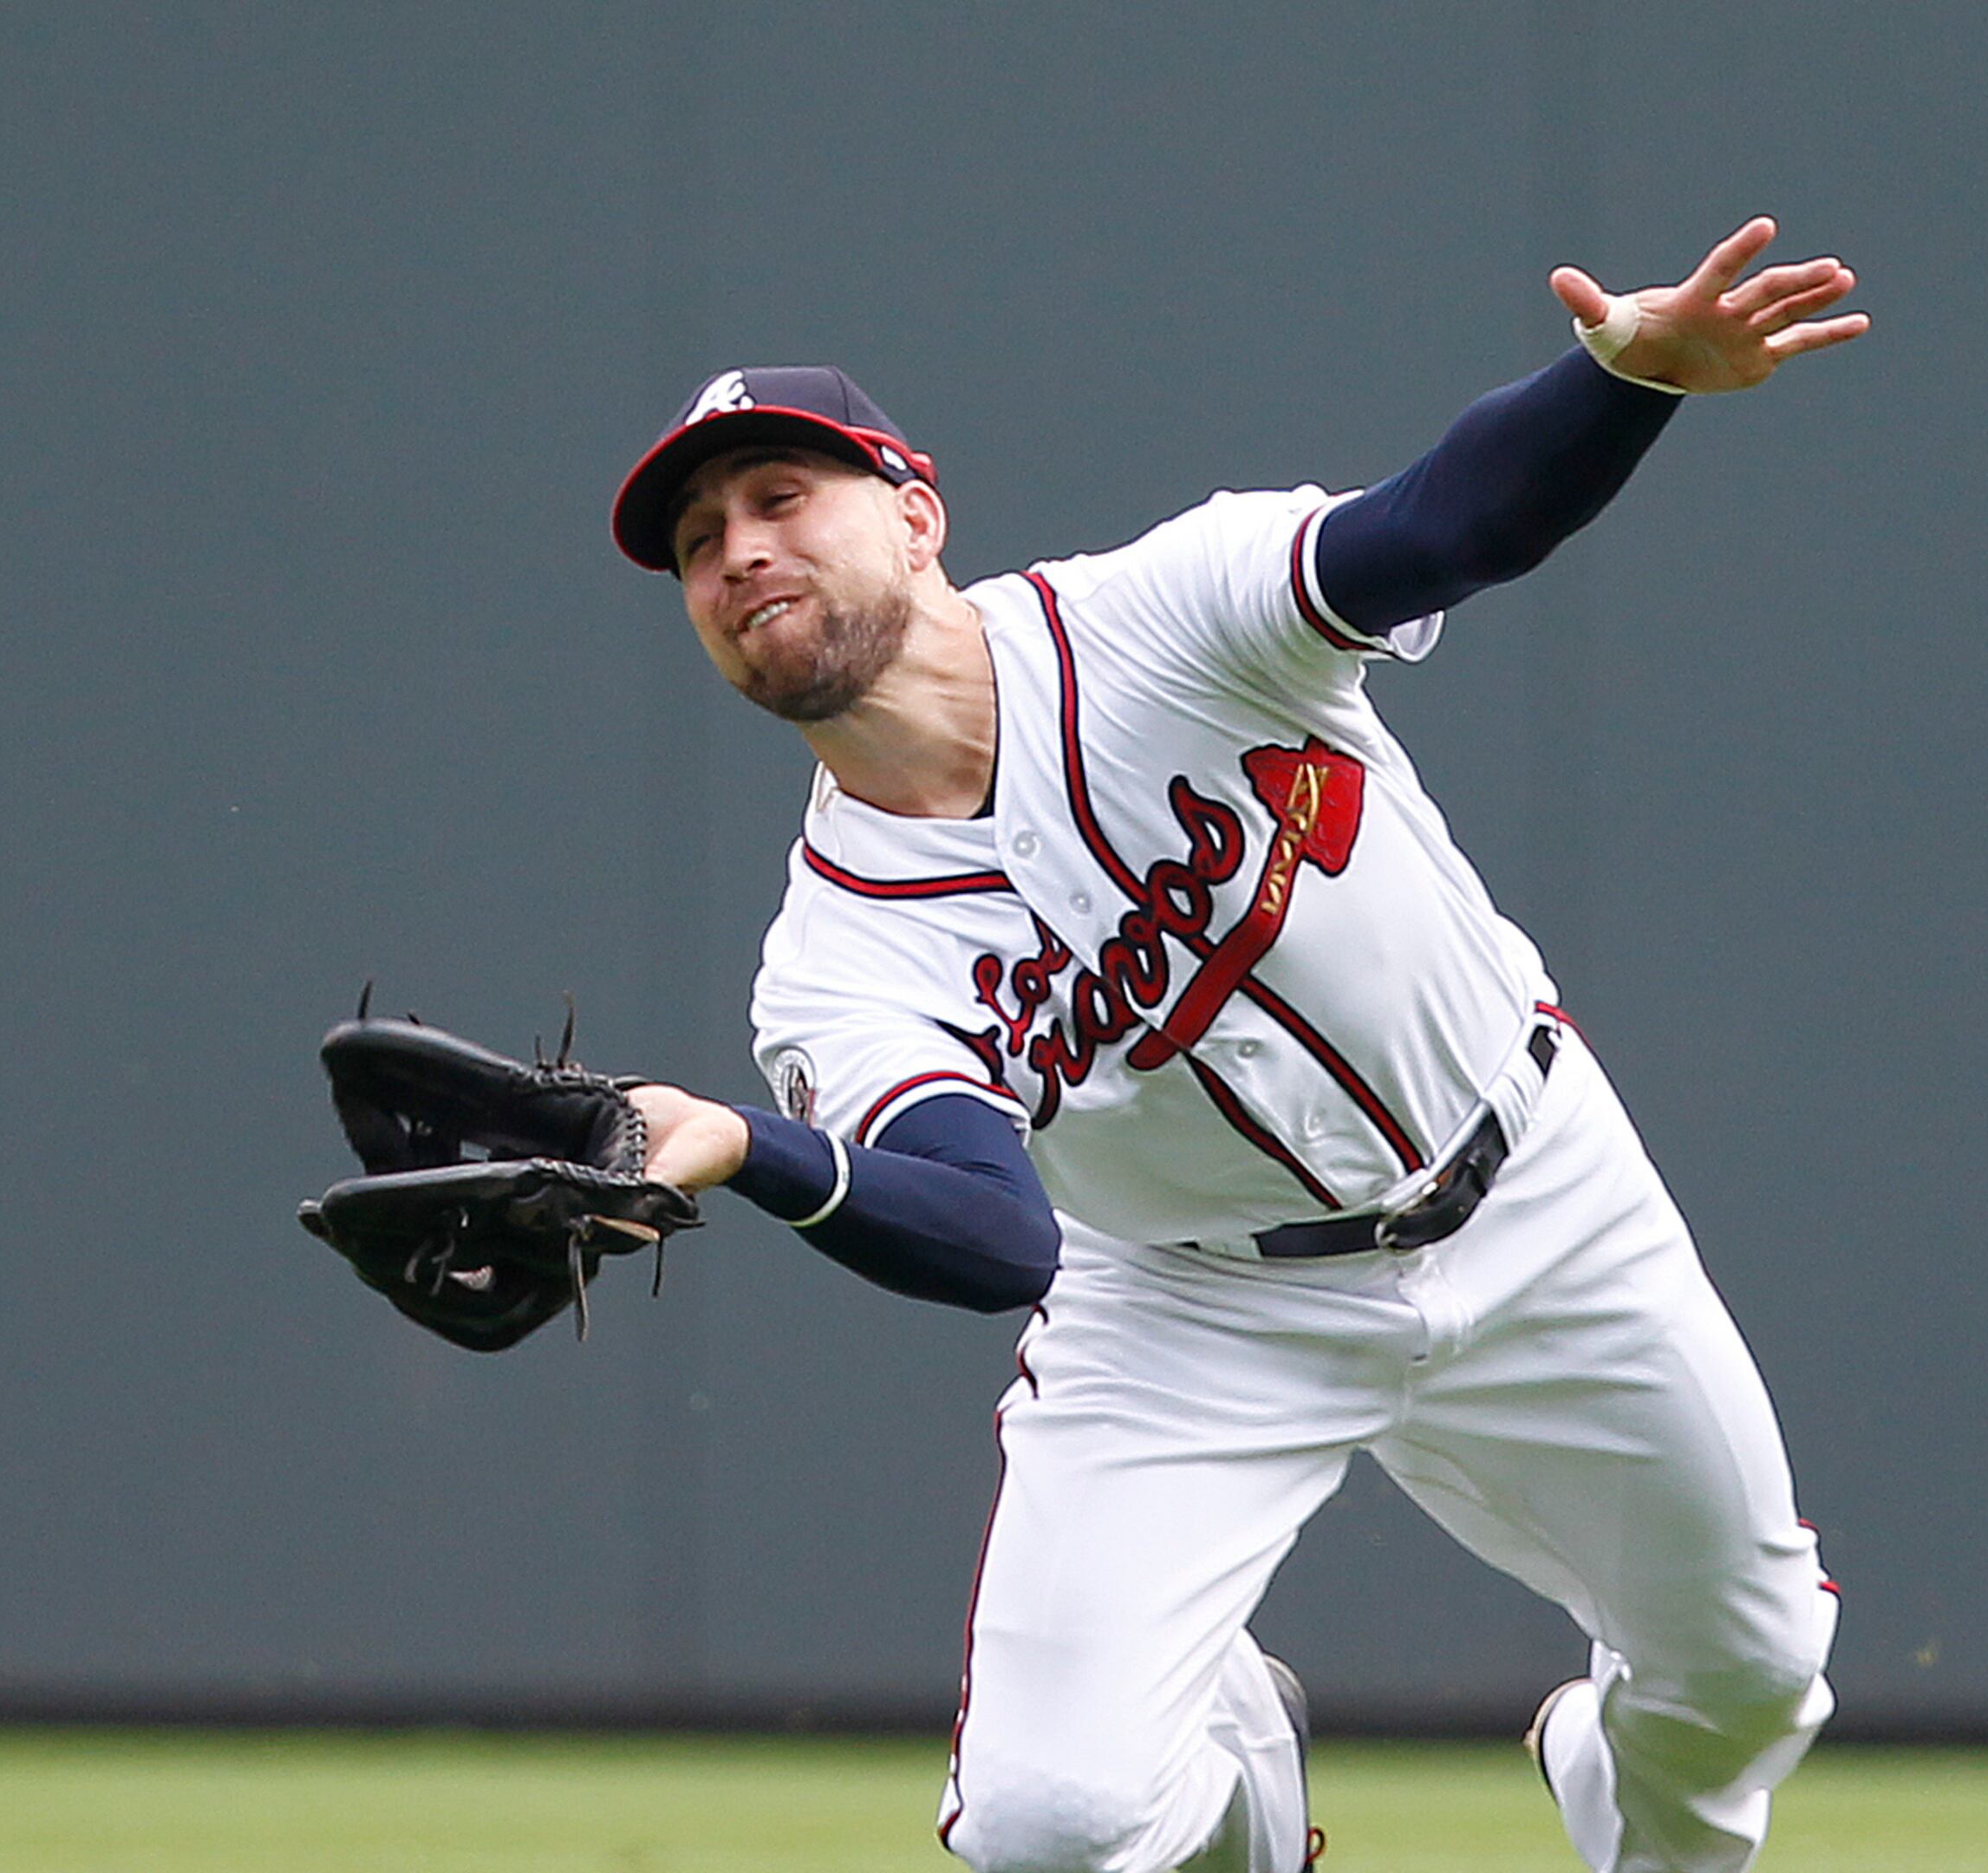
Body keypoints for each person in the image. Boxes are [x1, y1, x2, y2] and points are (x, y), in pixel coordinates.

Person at [609, 218, 1867, 1873]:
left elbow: (1438, 526)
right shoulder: (837, 958)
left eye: (782, 499)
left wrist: (1622, 381)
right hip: (1195, 1306)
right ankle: (1241, 1805)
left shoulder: (1162, 614)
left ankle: (1630, 1801)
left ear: (915, 518)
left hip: (1534, 1189)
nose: (740, 551)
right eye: (700, 540)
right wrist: (742, 1145)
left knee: (1747, 1675)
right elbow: (995, 1239)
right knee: (1052, 1828)